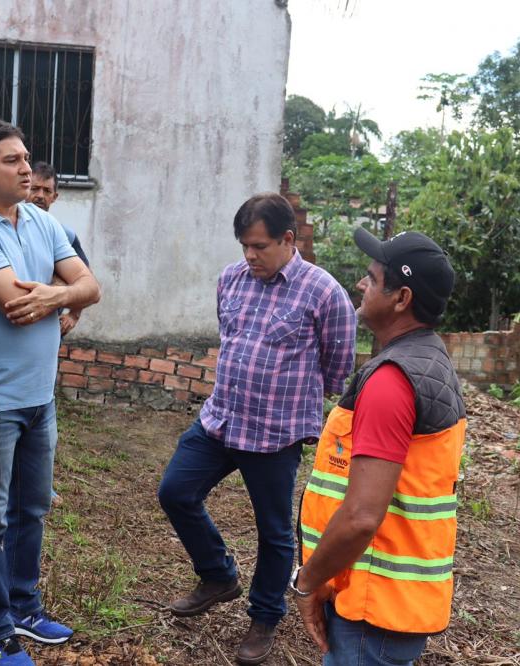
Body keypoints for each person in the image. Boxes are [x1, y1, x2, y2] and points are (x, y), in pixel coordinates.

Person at [157, 192, 356, 665]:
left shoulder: (324, 292)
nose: (250, 255)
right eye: (245, 245)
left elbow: (338, 364)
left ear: (289, 240)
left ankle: (264, 617)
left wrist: (298, 406)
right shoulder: (231, 279)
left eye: (260, 246)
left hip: (275, 432)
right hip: (221, 419)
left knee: (274, 532)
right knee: (175, 492)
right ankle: (219, 575)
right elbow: (231, 338)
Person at [0, 118, 100, 665]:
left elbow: (92, 286)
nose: (27, 168)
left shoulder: (39, 219)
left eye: (27, 157)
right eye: (12, 160)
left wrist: (58, 296)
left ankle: (25, 607)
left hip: (40, 397)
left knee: (31, 509)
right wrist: (67, 294)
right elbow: (15, 301)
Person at [292, 228, 466, 666]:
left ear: (401, 298)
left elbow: (361, 517)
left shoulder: (392, 381)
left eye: (371, 277)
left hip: (373, 612)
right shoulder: (429, 360)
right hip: (387, 605)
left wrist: (307, 582)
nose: (360, 285)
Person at [26, 161, 88, 336]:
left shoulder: (65, 235)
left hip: (48, 330)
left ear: (55, 197)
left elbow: (85, 280)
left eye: (47, 191)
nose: (40, 195)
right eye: (34, 188)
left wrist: (74, 315)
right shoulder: (7, 227)